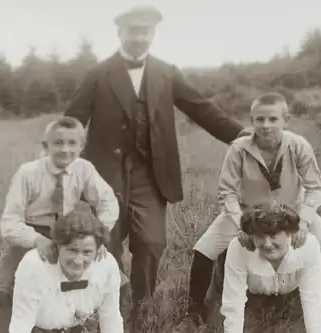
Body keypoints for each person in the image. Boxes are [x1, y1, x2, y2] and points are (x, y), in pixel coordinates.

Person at [63, 4, 245, 329]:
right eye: (133, 31)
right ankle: (111, 310)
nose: (139, 37)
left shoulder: (166, 71)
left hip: (152, 175)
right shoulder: (99, 73)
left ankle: (141, 307)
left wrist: (244, 134)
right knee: (107, 241)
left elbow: (201, 109)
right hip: (105, 175)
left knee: (151, 242)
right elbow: (73, 119)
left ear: (153, 34)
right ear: (121, 33)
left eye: (145, 31)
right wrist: (59, 160)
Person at [175, 92, 321, 332]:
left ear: (286, 120)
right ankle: (194, 313)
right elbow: (226, 192)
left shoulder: (298, 146)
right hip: (248, 212)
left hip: (292, 212)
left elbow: (315, 188)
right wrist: (241, 223)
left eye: (273, 119)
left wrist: (303, 222)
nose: (266, 126)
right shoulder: (239, 149)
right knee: (204, 247)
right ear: (251, 121)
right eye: (259, 119)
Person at [0, 116, 120, 333]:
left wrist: (97, 236)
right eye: (58, 143)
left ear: (82, 147)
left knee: (114, 280)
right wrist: (36, 240)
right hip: (31, 232)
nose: (65, 150)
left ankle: (80, 325)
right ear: (46, 146)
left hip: (68, 234)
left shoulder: (84, 169)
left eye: (72, 143)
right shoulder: (28, 173)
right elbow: (10, 221)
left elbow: (108, 203)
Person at [8, 204, 124, 333]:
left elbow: (111, 317)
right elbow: (21, 323)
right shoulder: (34, 266)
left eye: (87, 252)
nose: (78, 261)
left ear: (97, 250)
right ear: (58, 246)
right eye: (72, 250)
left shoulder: (106, 265)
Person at [221, 203, 321, 333]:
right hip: (255, 295)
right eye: (259, 236)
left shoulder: (308, 246)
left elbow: (312, 303)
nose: (267, 244)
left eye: (273, 235)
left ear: (289, 233)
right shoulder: (238, 248)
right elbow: (233, 303)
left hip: (291, 294)